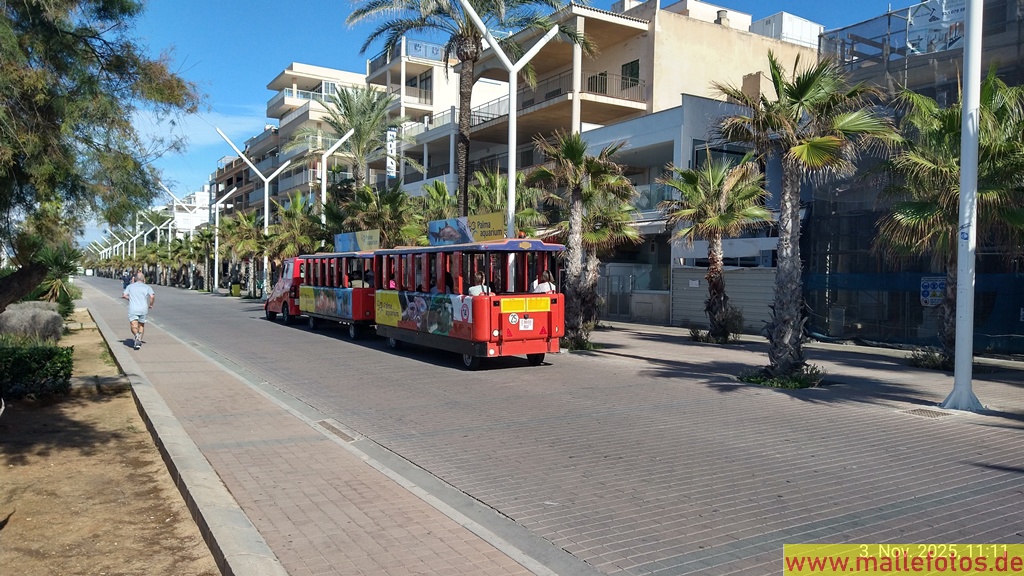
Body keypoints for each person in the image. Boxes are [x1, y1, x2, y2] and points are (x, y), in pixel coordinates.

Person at [122, 271, 155, 350]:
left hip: (133, 308)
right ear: (144, 279)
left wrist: (130, 299)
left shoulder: (130, 286)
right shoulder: (147, 287)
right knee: (141, 325)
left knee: (133, 325)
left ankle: (136, 335)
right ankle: (138, 340)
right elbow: (152, 296)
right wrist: (151, 304)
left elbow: (124, 295)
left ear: (135, 279)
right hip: (143, 309)